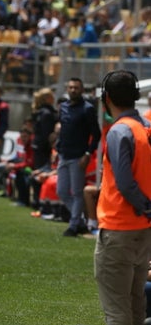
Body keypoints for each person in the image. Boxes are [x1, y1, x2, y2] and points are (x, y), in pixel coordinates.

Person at [94, 69, 151, 325]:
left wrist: (145, 206)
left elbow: (125, 183)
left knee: (117, 311)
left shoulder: (119, 132)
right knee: (135, 306)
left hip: (119, 226)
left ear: (107, 97)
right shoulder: (146, 128)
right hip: (143, 230)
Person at [56, 77, 101, 237]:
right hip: (63, 154)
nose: (73, 90)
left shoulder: (87, 109)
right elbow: (62, 130)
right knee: (61, 191)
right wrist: (57, 148)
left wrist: (88, 153)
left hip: (78, 157)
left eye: (76, 88)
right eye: (70, 87)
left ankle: (73, 225)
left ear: (81, 90)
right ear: (67, 89)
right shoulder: (63, 107)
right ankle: (80, 221)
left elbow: (96, 134)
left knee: (76, 192)